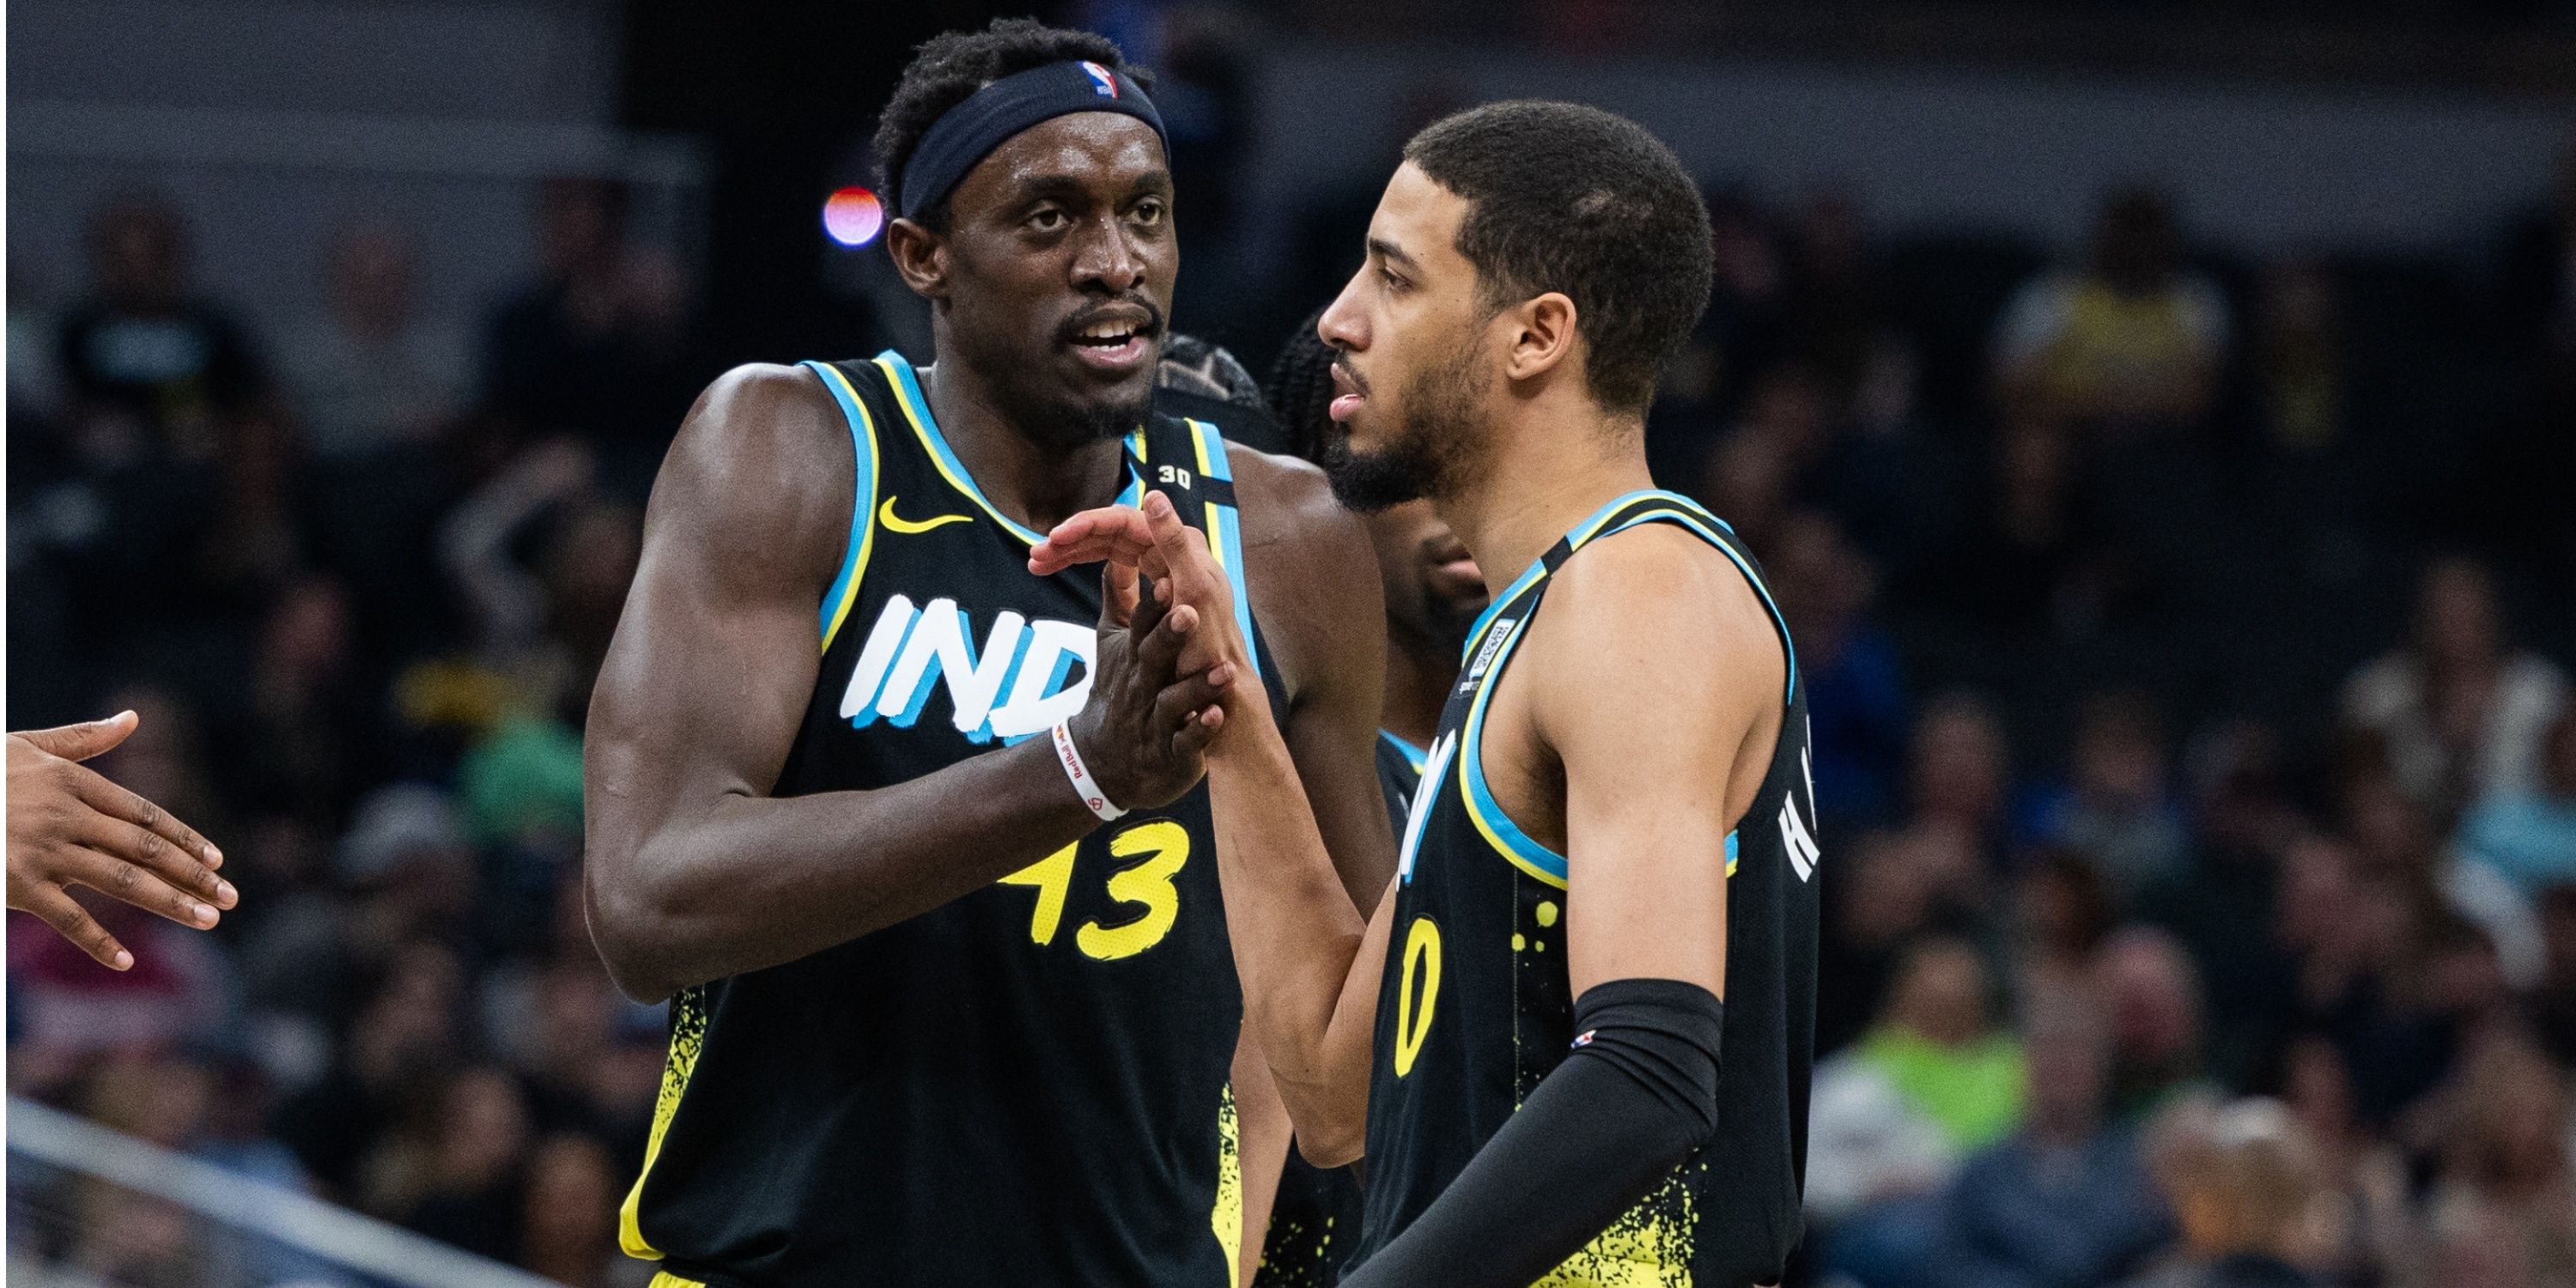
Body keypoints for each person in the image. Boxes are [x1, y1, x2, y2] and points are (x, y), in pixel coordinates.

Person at [580, 19, 1393, 1287]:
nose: (1114, 262)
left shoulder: (1289, 536)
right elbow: (648, 903)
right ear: (924, 255)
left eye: (1145, 211)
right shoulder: (795, 448)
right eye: (1051, 217)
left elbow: (1362, 1014)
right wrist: (1076, 771)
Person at [1036, 100, 1818, 1287]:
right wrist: (1233, 706)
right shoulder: (1531, 630)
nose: (1339, 320)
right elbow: (1338, 1095)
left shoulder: (1640, 592)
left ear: (1536, 335)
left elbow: (1651, 1069)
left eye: (1394, 281)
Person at [1249, 317, 1492, 1286]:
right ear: (1315, 492)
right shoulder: (1265, 776)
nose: (1465, 504)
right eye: (1419, 470)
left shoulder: (1554, 768)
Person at [5, 709, 234, 969]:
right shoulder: (20, 948)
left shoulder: (190, 960)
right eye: (123, 755)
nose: (138, 773)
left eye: (153, 755)